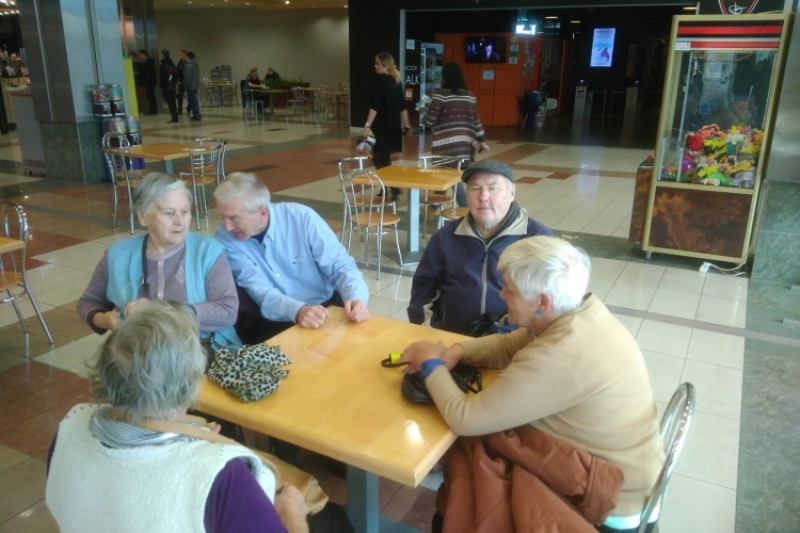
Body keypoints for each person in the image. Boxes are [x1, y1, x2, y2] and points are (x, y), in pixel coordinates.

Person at [400, 236, 664, 532]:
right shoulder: (577, 313)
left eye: (509, 290)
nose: (501, 295)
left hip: (609, 499)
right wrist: (457, 352)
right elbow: (510, 344)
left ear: (542, 302)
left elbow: (466, 418)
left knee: (472, 469)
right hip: (627, 469)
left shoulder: (559, 354)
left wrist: (430, 364)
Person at [46, 300, 354, 533]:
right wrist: (293, 516)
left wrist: (187, 430)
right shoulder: (223, 475)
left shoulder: (69, 428)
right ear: (193, 378)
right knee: (334, 519)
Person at [78, 173, 240, 354]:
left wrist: (161, 311)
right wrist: (103, 320)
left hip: (201, 352)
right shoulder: (118, 255)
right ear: (142, 216)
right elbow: (89, 302)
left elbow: (227, 311)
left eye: (185, 211)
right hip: (141, 354)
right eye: (169, 213)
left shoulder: (207, 251)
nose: (180, 221)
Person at [214, 172, 370, 345]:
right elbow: (260, 290)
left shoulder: (302, 218)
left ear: (262, 212)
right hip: (274, 320)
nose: (227, 226)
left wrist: (357, 298)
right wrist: (298, 310)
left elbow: (340, 266)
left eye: (234, 219)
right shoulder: (225, 238)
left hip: (326, 309)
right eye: (223, 217)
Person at [407, 159, 552, 336]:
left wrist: (499, 337)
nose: (483, 196)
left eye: (493, 188)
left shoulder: (537, 238)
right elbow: (422, 292)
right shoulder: (445, 237)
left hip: (511, 345)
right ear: (466, 195)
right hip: (450, 339)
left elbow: (545, 304)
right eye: (475, 188)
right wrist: (426, 333)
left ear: (512, 192)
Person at [422, 62, 489, 207]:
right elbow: (476, 121)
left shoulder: (441, 95)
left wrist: (423, 111)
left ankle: (467, 211)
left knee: (450, 179)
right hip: (465, 146)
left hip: (445, 146)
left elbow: (429, 121)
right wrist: (482, 141)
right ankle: (431, 210)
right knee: (448, 178)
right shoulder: (470, 96)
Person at [361, 51, 412, 202]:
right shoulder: (396, 81)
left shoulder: (379, 81)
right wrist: (407, 123)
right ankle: (388, 188)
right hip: (394, 126)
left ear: (385, 66)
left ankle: (391, 188)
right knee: (384, 158)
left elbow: (374, 107)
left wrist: (366, 126)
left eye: (377, 63)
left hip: (381, 126)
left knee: (378, 158)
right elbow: (402, 106)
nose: (375, 66)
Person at [159, 49, 179, 123]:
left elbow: (163, 77)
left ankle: (174, 118)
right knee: (173, 102)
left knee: (170, 103)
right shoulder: (171, 63)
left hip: (167, 86)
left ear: (163, 55)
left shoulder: (163, 64)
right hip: (172, 85)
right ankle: (175, 117)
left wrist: (162, 87)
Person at [184, 50, 202, 121]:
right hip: (195, 85)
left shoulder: (189, 65)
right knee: (194, 101)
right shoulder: (195, 65)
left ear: (188, 57)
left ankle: (196, 116)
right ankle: (197, 115)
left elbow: (187, 77)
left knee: (193, 101)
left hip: (190, 86)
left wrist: (186, 85)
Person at [139, 49, 158, 115]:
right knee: (151, 96)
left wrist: (145, 81)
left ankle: (152, 110)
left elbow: (148, 73)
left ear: (143, 54)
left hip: (149, 82)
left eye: (140, 54)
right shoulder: (148, 62)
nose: (140, 56)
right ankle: (153, 109)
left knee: (149, 96)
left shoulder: (148, 63)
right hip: (151, 81)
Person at [176, 50, 187, 115]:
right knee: (180, 96)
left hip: (187, 81)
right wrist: (179, 80)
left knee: (189, 96)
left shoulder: (188, 63)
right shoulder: (179, 63)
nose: (181, 56)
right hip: (181, 81)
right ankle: (179, 109)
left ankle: (189, 108)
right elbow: (178, 72)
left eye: (182, 54)